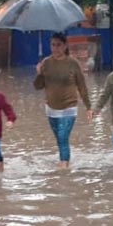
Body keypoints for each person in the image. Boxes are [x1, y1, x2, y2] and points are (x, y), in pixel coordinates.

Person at [33, 32, 91, 169]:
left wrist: (89, 106)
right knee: (60, 139)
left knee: (63, 136)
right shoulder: (46, 63)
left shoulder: (73, 63)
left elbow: (82, 86)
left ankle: (63, 167)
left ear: (65, 46)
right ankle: (65, 160)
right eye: (53, 45)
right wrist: (39, 73)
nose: (55, 48)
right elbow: (37, 86)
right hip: (51, 108)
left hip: (69, 107)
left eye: (59, 45)